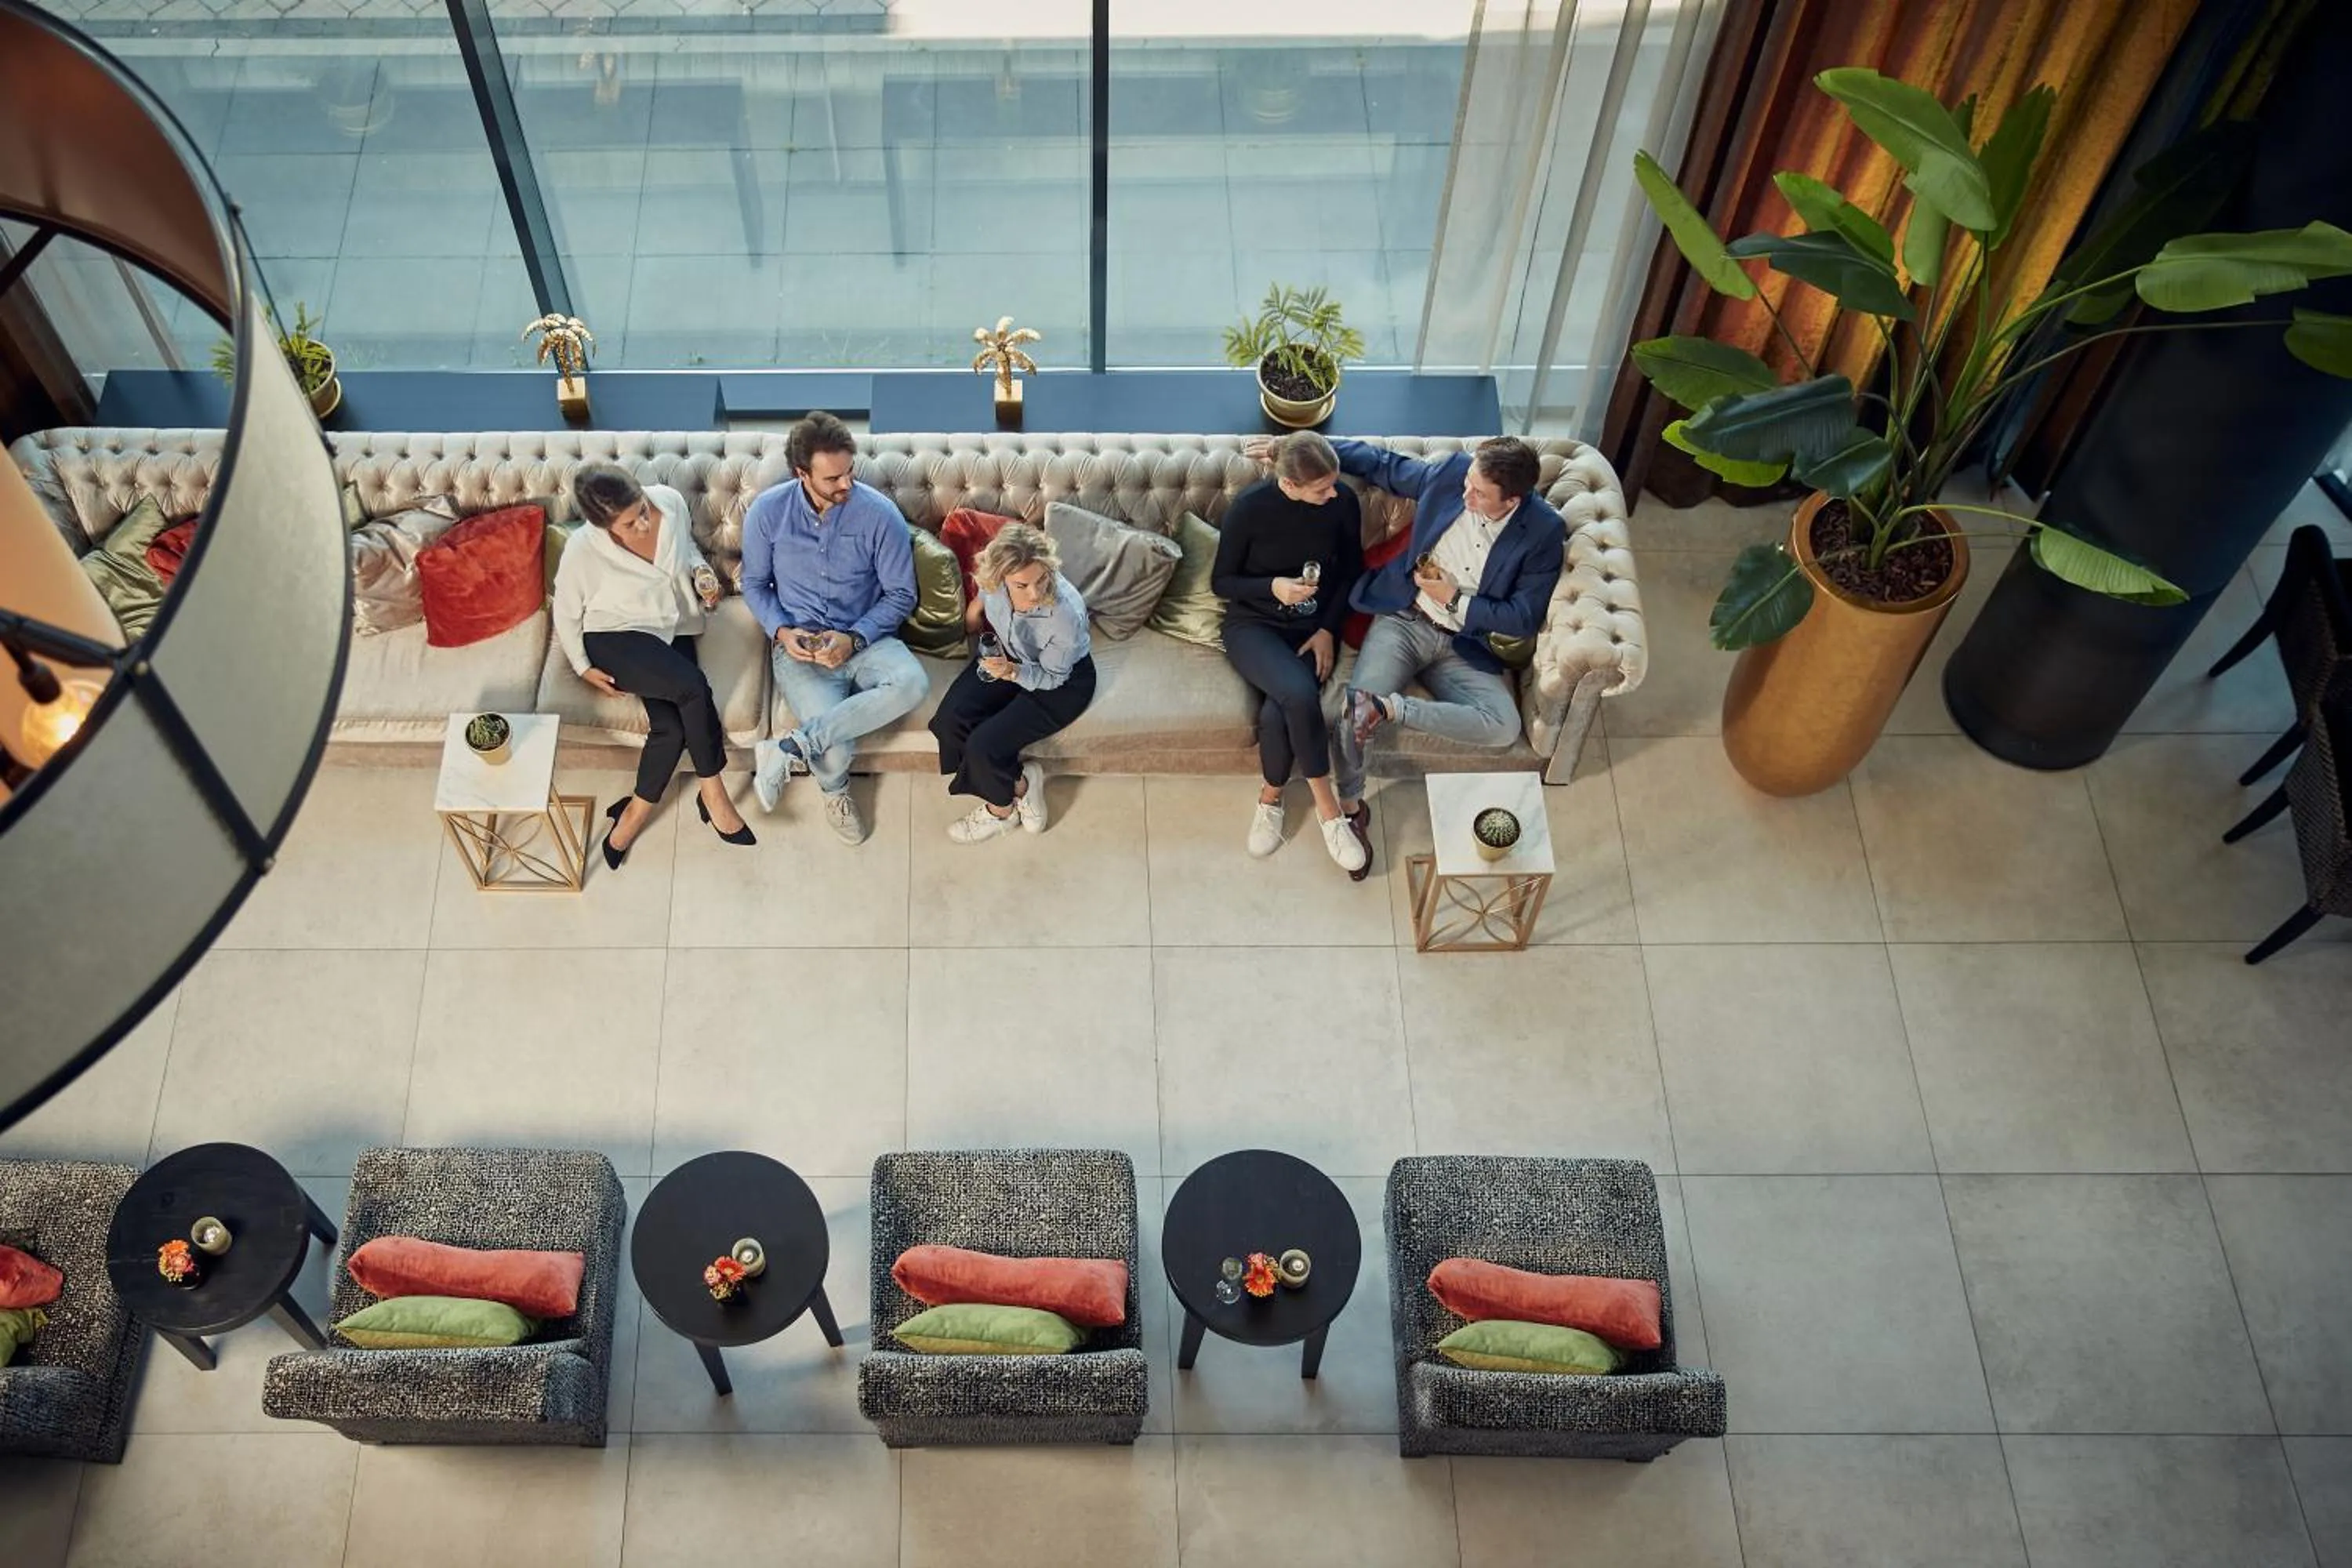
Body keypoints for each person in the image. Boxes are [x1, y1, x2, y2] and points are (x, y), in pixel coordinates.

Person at [1243, 434, 1564, 837]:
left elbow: (1522, 616)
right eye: (1468, 483)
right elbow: (1382, 464)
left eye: (1479, 494)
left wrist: (1454, 600)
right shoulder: (1452, 475)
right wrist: (1295, 447)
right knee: (1354, 713)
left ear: (1512, 502)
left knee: (1502, 727)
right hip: (1404, 619)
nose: (1466, 494)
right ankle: (1350, 803)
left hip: (1465, 643)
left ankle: (1392, 708)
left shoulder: (1543, 532)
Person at [551, 463, 754, 869]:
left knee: (673, 727)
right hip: (615, 634)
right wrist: (581, 665)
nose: (644, 522)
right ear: (604, 527)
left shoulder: (670, 502)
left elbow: (687, 549)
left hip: (672, 625)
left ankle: (633, 813)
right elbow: (566, 609)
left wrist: (700, 574)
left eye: (642, 509)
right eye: (630, 522)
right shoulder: (582, 551)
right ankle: (713, 792)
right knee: (694, 688)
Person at [742, 411, 931, 845]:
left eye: (850, 472)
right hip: (800, 647)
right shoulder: (767, 514)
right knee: (837, 749)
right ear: (800, 473)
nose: (846, 484)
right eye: (832, 479)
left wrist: (855, 638)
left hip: (866, 636)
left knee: (912, 684)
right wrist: (782, 633)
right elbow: (753, 584)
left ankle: (790, 749)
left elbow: (902, 595)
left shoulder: (880, 515)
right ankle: (835, 790)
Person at [1214, 430, 1367, 875]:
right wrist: (1272, 587)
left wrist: (1326, 629)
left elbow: (1349, 572)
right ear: (1289, 486)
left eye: (1334, 483)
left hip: (1309, 624)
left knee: (1276, 714)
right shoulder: (1250, 508)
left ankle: (1271, 797)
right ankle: (1331, 812)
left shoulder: (1342, 504)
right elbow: (1221, 583)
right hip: (1253, 624)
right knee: (1299, 696)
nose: (1334, 493)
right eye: (1322, 489)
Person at [927, 522, 1096, 844]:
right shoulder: (993, 580)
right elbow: (984, 591)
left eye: (1042, 579)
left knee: (984, 745)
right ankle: (1021, 783)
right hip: (1009, 656)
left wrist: (1013, 673)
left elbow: (1052, 677)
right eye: (1022, 585)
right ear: (1002, 578)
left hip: (1061, 683)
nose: (1035, 594)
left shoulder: (1065, 617)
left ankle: (1001, 810)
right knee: (949, 722)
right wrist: (975, 611)